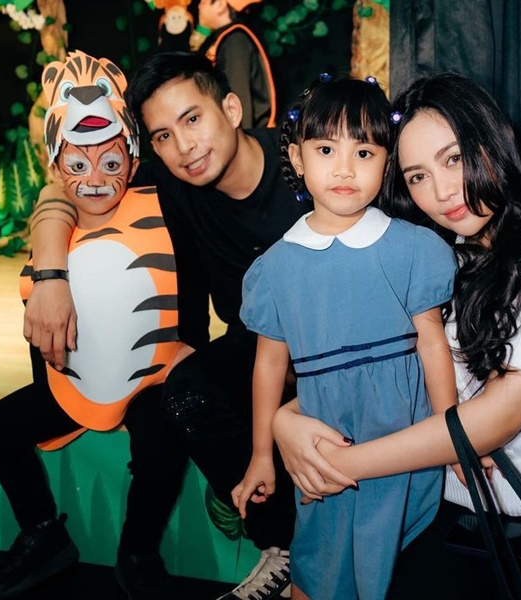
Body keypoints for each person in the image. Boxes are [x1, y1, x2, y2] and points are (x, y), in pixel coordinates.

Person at [270, 72, 521, 598]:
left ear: (492, 141)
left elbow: (496, 417)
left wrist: (336, 464)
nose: (441, 192)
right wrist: (287, 419)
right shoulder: (435, 260)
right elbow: (377, 369)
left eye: (454, 158)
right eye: (416, 176)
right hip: (450, 512)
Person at [24, 51, 308, 600]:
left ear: (230, 106)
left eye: (192, 119)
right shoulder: (176, 183)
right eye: (161, 136)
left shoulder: (302, 163)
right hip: (257, 347)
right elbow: (63, 184)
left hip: (343, 347)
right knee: (184, 393)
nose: (184, 147)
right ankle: (284, 546)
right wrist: (50, 277)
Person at [231, 75, 458, 599]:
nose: (344, 168)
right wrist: (262, 453)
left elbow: (431, 344)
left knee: (403, 561)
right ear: (298, 156)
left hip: (407, 439)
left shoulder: (413, 249)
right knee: (319, 567)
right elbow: (268, 365)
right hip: (323, 444)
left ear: (387, 161)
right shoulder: (275, 268)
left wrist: (452, 438)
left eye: (364, 152)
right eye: (326, 149)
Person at [0, 50, 200, 599]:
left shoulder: (164, 197)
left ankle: (137, 548)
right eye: (78, 166)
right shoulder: (56, 205)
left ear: (132, 158)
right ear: (57, 168)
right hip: (75, 382)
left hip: (152, 377)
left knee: (159, 444)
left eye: (112, 162)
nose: (97, 180)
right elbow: (53, 201)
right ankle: (42, 532)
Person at [195, 0, 276, 128]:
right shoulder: (223, 39)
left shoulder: (235, 42)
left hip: (252, 137)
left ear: (220, 5)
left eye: (203, 1)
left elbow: (239, 98)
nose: (199, 6)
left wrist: (240, 144)